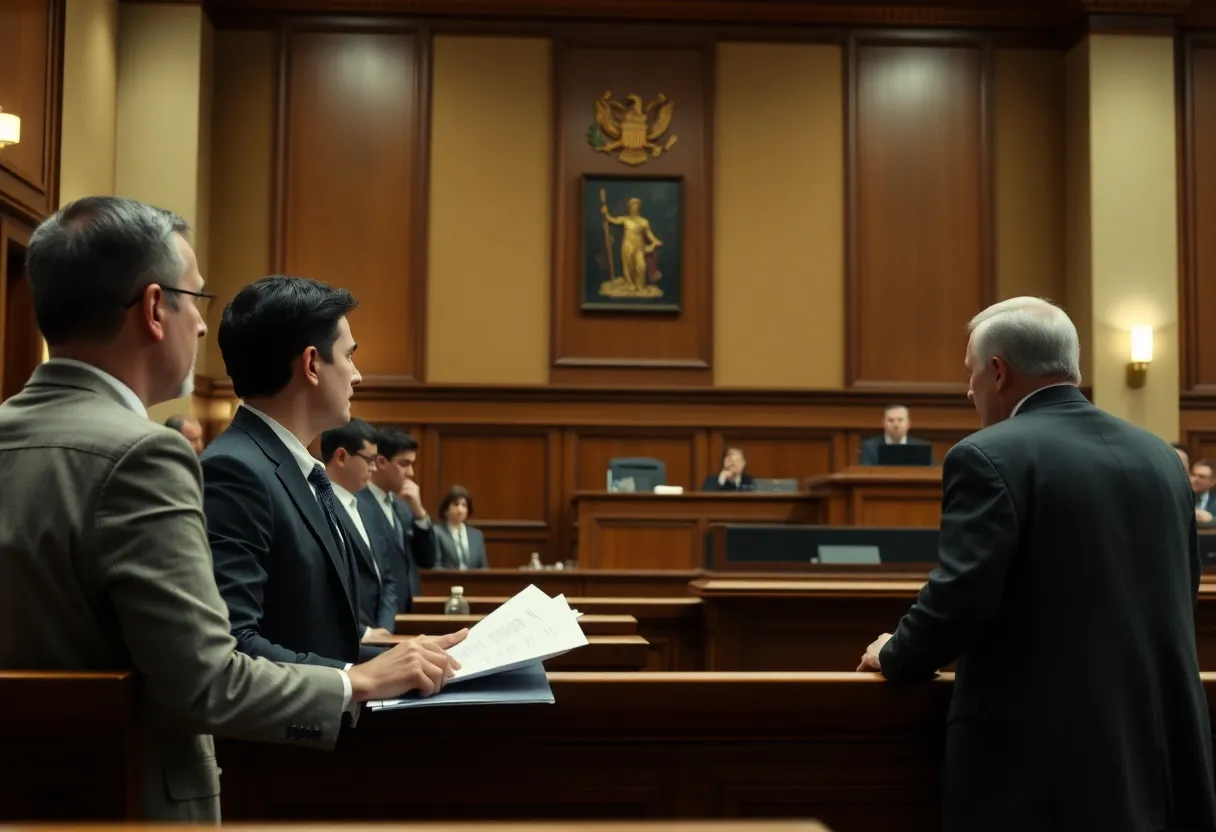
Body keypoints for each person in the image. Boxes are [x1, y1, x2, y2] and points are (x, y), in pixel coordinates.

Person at [0, 196, 465, 822]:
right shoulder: (145, 456)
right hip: (124, 801)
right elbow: (206, 680)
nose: (200, 327)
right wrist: (357, 681)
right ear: (154, 308)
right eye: (195, 300)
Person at [856, 297, 1216, 831]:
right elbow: (1181, 585)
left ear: (998, 372)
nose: (968, 390)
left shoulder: (986, 455)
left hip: (1043, 764)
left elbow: (961, 598)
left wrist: (896, 654)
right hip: (1160, 746)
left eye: (971, 374)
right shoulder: (1161, 457)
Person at [203, 275, 390, 669]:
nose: (357, 375)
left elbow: (319, 638)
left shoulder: (295, 467)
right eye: (349, 356)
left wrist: (407, 657)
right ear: (311, 364)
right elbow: (234, 645)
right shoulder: (235, 470)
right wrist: (357, 677)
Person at [319, 417, 399, 639]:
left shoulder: (367, 508)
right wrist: (364, 633)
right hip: (343, 639)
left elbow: (387, 577)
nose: (374, 468)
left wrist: (384, 629)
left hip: (379, 637)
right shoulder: (317, 506)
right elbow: (323, 585)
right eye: (369, 460)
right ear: (341, 457)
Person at [359, 426, 437, 611]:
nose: (411, 473)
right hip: (377, 612)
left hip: (408, 608)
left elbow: (428, 560)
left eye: (412, 464)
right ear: (380, 462)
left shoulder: (404, 506)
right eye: (404, 463)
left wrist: (420, 514)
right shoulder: (358, 503)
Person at [435, 485, 488, 570]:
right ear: (446, 510)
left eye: (464, 505)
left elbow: (484, 568)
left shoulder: (477, 536)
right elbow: (436, 566)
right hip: (447, 582)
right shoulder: (436, 533)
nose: (460, 510)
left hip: (473, 582)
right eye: (456, 504)